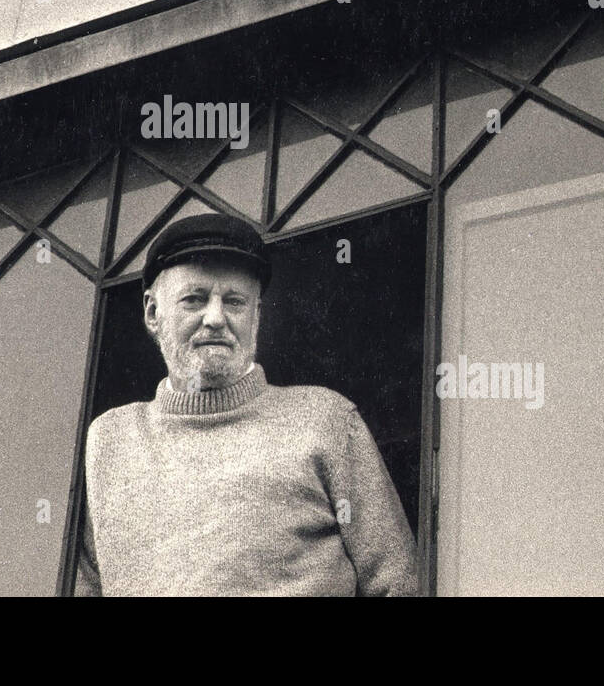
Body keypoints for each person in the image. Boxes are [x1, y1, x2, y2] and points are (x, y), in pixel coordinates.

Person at [75, 212, 418, 596]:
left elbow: (397, 582)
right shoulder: (110, 438)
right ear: (153, 312)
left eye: (235, 302)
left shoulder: (327, 420)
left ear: (255, 316)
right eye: (195, 299)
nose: (216, 318)